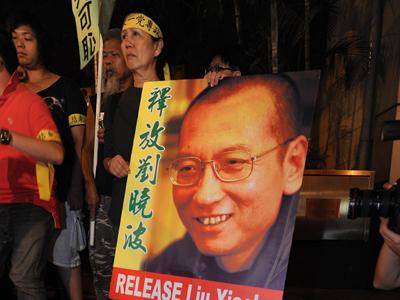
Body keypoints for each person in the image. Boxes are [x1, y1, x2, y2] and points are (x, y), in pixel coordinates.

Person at [144, 75, 308, 290]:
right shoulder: (162, 268)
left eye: (233, 162)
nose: (205, 195)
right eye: (187, 167)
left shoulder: (304, 276)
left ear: (293, 164)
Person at [10, 13, 87, 300]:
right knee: (27, 269)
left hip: (62, 188)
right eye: (15, 40)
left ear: (42, 43)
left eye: (27, 39)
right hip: (23, 195)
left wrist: (79, 184)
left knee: (66, 259)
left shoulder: (66, 88)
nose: (21, 46)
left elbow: (79, 142)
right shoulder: (10, 92)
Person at [0, 29, 64, 299]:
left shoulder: (29, 101)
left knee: (24, 278)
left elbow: (56, 153)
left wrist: (7, 136)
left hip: (31, 204)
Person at [81, 28, 131, 299]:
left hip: (133, 201)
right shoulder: (100, 101)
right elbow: (86, 148)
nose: (107, 61)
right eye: (103, 56)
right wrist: (89, 185)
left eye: (113, 54)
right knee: (102, 271)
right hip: (104, 200)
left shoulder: (141, 96)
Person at [103, 11, 165, 229]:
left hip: (164, 216)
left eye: (136, 35)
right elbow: (106, 154)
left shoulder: (175, 97)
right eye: (124, 36)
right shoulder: (113, 102)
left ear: (157, 48)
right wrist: (111, 164)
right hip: (126, 216)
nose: (127, 43)